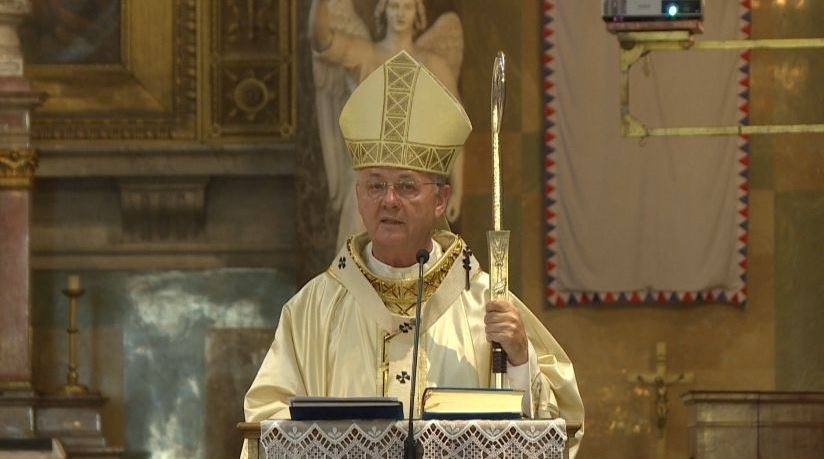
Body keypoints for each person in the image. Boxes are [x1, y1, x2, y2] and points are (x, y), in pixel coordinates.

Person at [243, 51, 584, 457]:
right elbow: (265, 425)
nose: (389, 200)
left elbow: (554, 429)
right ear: (358, 196)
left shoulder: (485, 303)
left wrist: (520, 361)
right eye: (375, 185)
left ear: (440, 200)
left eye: (406, 186)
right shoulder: (312, 312)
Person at [309, 0, 466, 250]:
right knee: (358, 261)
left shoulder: (433, 64)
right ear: (383, 11)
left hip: (416, 184)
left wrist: (458, 189)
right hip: (369, 180)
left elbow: (454, 129)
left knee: (416, 265)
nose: (400, 14)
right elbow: (322, 41)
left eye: (407, 7)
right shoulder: (366, 55)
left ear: (417, 13)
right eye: (394, 6)